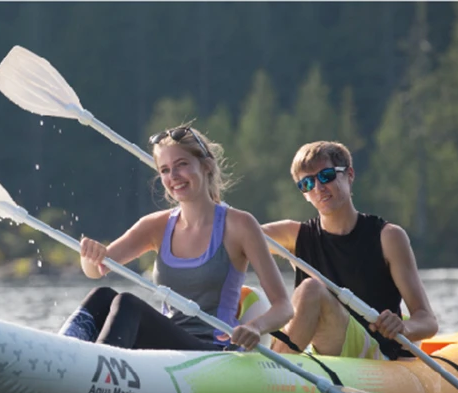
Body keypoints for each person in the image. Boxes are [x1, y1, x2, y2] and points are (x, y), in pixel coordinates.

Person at [58, 124, 294, 352]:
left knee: (128, 304)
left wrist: (255, 327)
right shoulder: (155, 226)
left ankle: (97, 370)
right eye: (165, 170)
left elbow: (284, 306)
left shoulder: (240, 225)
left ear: (206, 166)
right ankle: (63, 354)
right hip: (167, 347)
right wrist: (90, 256)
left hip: (212, 350)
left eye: (182, 165)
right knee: (103, 297)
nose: (174, 176)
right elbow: (96, 270)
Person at [262, 141, 438, 360]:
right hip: (330, 348)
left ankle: (274, 368)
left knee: (311, 290)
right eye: (307, 183)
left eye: (326, 176)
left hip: (376, 351)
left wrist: (403, 328)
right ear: (304, 193)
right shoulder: (293, 235)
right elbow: (235, 236)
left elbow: (427, 320)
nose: (318, 188)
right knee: (247, 296)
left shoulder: (388, 237)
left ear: (349, 175)